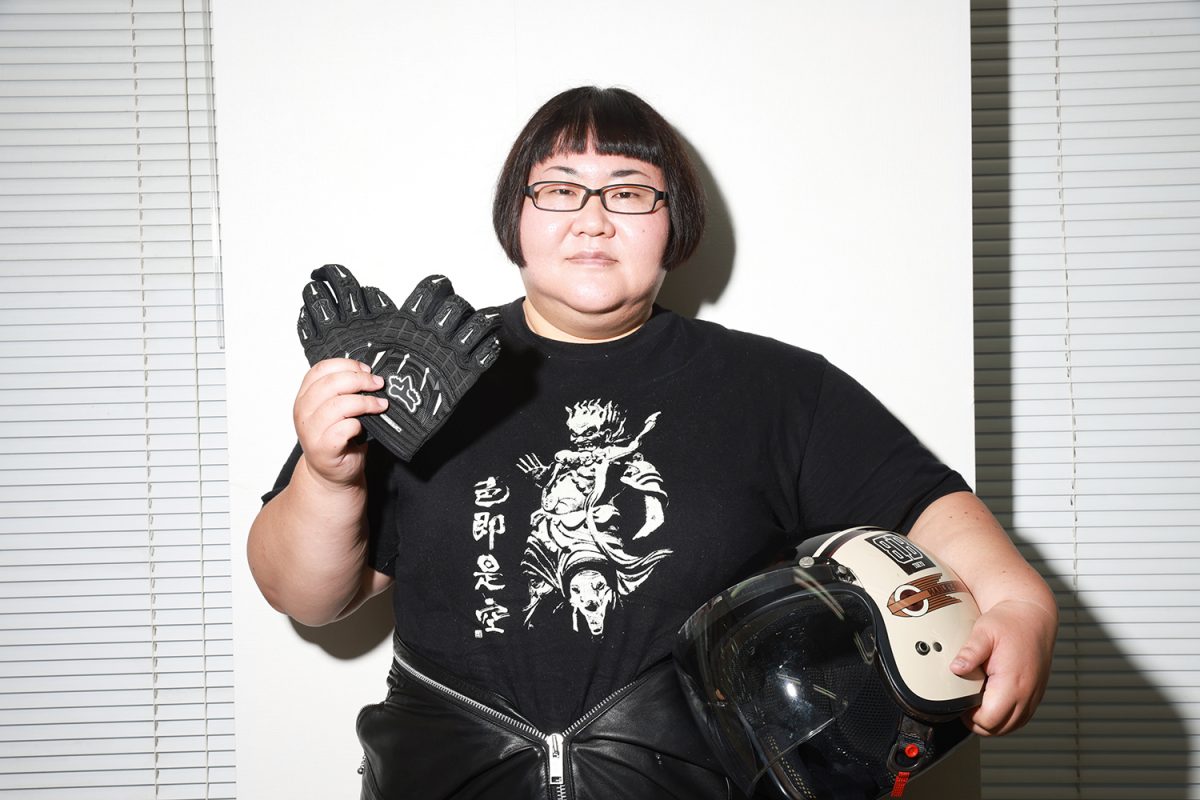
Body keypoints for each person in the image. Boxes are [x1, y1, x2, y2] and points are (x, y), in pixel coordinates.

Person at [248, 86, 1058, 799]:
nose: (593, 218)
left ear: (675, 222)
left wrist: (1022, 608)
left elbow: (926, 506)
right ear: (516, 215)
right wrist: (328, 474)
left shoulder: (775, 388)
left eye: (630, 192)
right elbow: (307, 598)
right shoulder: (421, 371)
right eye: (559, 188)